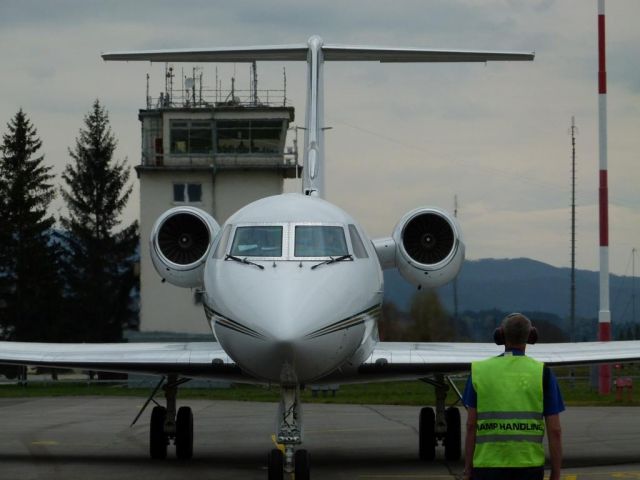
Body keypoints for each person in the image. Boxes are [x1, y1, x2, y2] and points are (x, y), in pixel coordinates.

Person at [462, 313, 564, 480]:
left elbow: (471, 425)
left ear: (500, 334)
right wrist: (556, 474)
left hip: (487, 466)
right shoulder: (542, 373)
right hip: (529, 467)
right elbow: (555, 430)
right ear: (531, 335)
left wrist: (468, 469)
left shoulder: (479, 371)